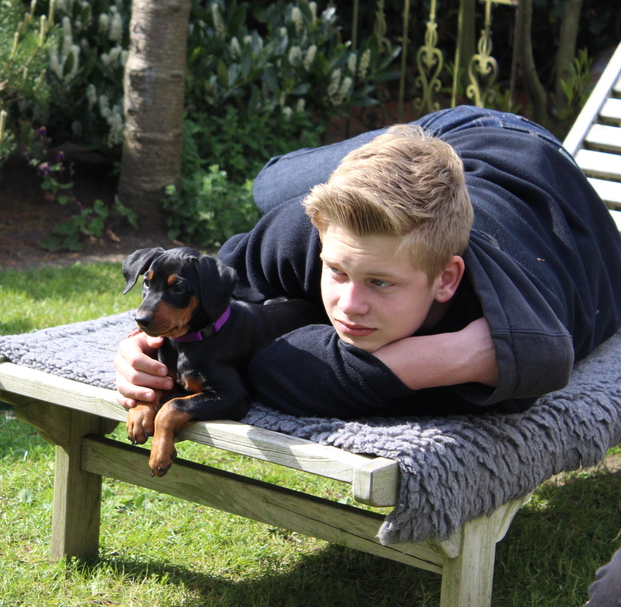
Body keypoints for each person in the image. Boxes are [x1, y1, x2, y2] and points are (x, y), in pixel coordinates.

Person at [115, 106, 621, 418]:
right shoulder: (307, 232)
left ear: (446, 279)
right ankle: (405, 148)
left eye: (380, 283)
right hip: (445, 132)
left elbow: (274, 372)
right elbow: (217, 289)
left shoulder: (511, 312)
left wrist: (458, 355)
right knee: (269, 187)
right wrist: (145, 345)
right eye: (336, 271)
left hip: (536, 162)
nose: (348, 306)